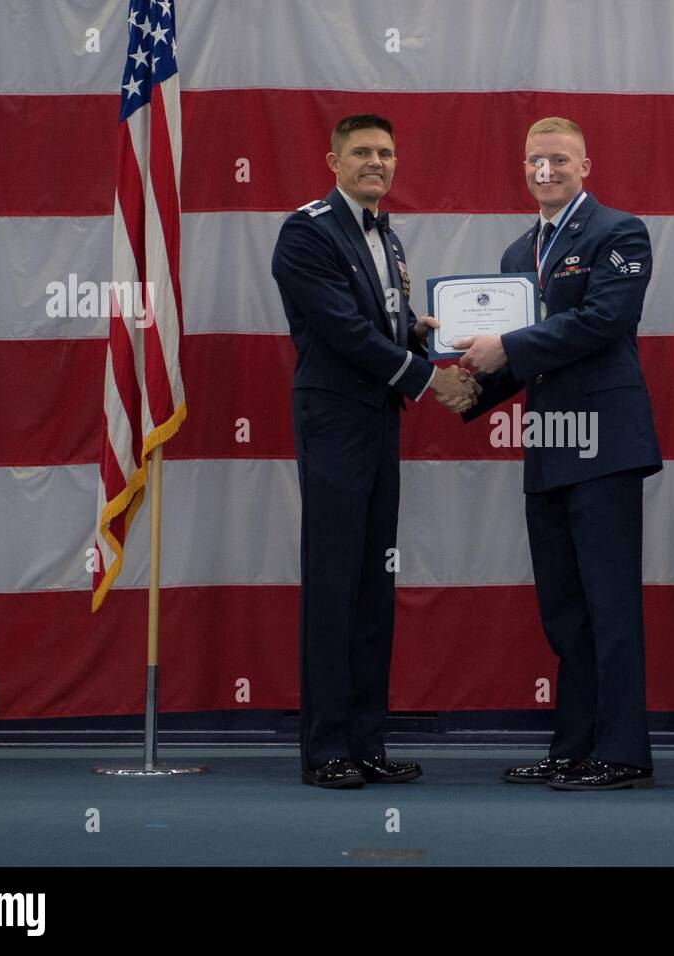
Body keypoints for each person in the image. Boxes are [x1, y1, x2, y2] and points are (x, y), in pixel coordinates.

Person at [271, 113, 479, 789]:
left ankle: (366, 742)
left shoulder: (387, 235)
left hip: (378, 421)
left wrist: (414, 332)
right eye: (361, 151)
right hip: (333, 419)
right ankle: (326, 748)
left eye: (386, 152)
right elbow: (339, 330)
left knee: (372, 587)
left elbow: (374, 325)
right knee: (335, 585)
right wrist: (426, 376)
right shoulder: (306, 230)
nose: (376, 162)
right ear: (332, 160)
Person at [455, 117, 663, 790]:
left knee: (610, 606)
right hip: (547, 447)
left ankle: (624, 751)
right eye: (534, 160)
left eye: (558, 159)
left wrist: (507, 349)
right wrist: (469, 390)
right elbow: (522, 355)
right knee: (564, 612)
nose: (545, 170)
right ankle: (574, 745)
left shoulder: (619, 232)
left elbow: (604, 322)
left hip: (604, 444)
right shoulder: (521, 252)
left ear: (585, 164)